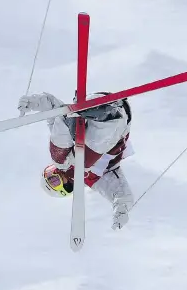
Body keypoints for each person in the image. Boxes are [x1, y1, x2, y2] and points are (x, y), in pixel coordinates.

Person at [18, 91, 134, 230]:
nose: (56, 173)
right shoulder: (95, 179)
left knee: (61, 158)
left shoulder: (62, 160)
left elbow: (52, 107)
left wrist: (33, 102)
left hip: (94, 103)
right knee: (80, 164)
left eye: (49, 173)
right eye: (54, 181)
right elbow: (120, 192)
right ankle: (97, 117)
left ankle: (71, 118)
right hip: (117, 121)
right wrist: (122, 210)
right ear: (65, 189)